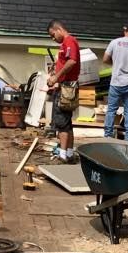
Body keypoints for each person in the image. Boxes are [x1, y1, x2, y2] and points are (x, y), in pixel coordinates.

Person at [46, 20, 81, 162]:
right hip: (66, 85)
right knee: (67, 122)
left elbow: (72, 61)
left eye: (53, 35)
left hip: (66, 87)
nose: (53, 39)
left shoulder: (69, 41)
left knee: (61, 122)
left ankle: (62, 154)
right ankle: (69, 153)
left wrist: (56, 77)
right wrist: (56, 68)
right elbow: (66, 62)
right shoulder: (65, 44)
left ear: (59, 29)